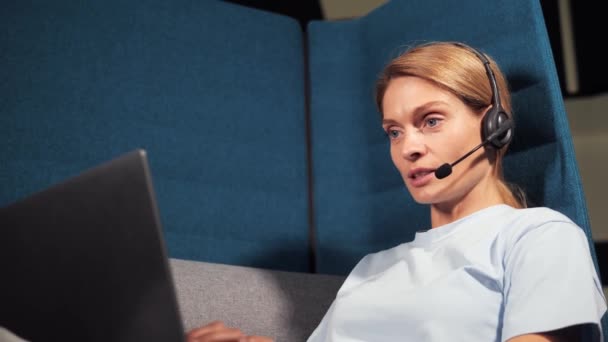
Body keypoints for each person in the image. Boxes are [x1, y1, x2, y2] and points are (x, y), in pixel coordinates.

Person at [186, 41, 607, 342]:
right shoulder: (374, 268)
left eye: (431, 120)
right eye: (393, 131)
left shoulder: (538, 236)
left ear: (493, 125)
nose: (409, 147)